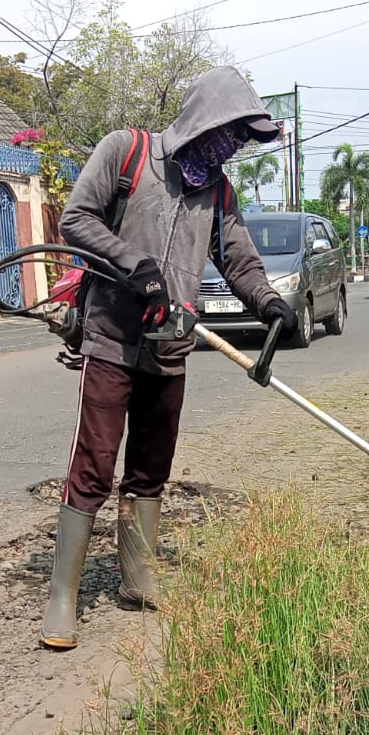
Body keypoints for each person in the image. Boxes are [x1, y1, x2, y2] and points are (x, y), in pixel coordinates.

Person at [43, 65, 297, 650]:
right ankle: (62, 596)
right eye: (229, 131)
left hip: (171, 347)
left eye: (241, 139)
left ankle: (137, 577)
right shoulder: (126, 152)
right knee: (94, 466)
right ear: (203, 120)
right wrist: (134, 263)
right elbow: (75, 219)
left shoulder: (218, 189)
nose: (231, 146)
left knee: (151, 467)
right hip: (111, 339)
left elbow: (239, 260)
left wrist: (269, 302)